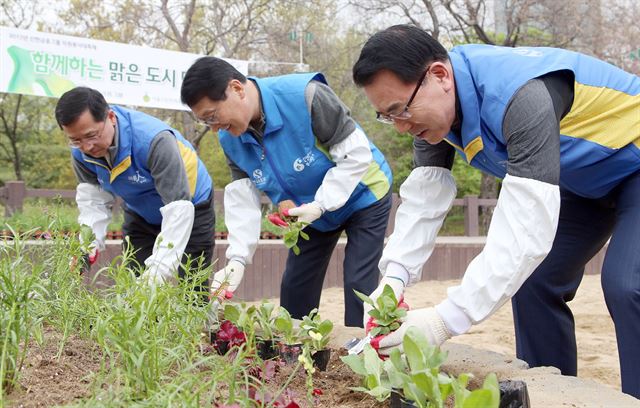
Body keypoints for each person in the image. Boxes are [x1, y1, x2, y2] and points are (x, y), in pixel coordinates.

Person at [353, 24, 640, 397]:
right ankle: (552, 394)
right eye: (387, 117)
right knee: (533, 280)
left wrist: (444, 321)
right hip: (584, 182)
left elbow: (524, 232)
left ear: (439, 75)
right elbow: (424, 199)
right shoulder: (435, 120)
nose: (401, 127)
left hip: (633, 163)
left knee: (627, 284)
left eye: (400, 110)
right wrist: (393, 279)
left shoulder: (518, 96)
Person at [180, 57, 393, 327]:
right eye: (204, 122)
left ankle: (362, 355)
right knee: (295, 289)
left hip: (363, 194)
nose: (213, 128)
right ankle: (296, 355)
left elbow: (356, 156)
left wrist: (321, 204)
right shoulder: (230, 138)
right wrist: (237, 260)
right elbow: (242, 200)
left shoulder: (305, 96)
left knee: (358, 284)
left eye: (212, 116)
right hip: (308, 211)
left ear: (237, 89)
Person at [55, 87, 215, 289]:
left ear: (110, 117)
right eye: (76, 140)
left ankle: (199, 317)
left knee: (192, 283)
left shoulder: (153, 141)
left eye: (91, 135)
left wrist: (157, 273)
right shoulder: (81, 153)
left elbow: (178, 210)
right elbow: (93, 202)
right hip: (140, 211)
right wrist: (87, 245)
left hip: (190, 204)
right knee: (134, 278)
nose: (87, 147)